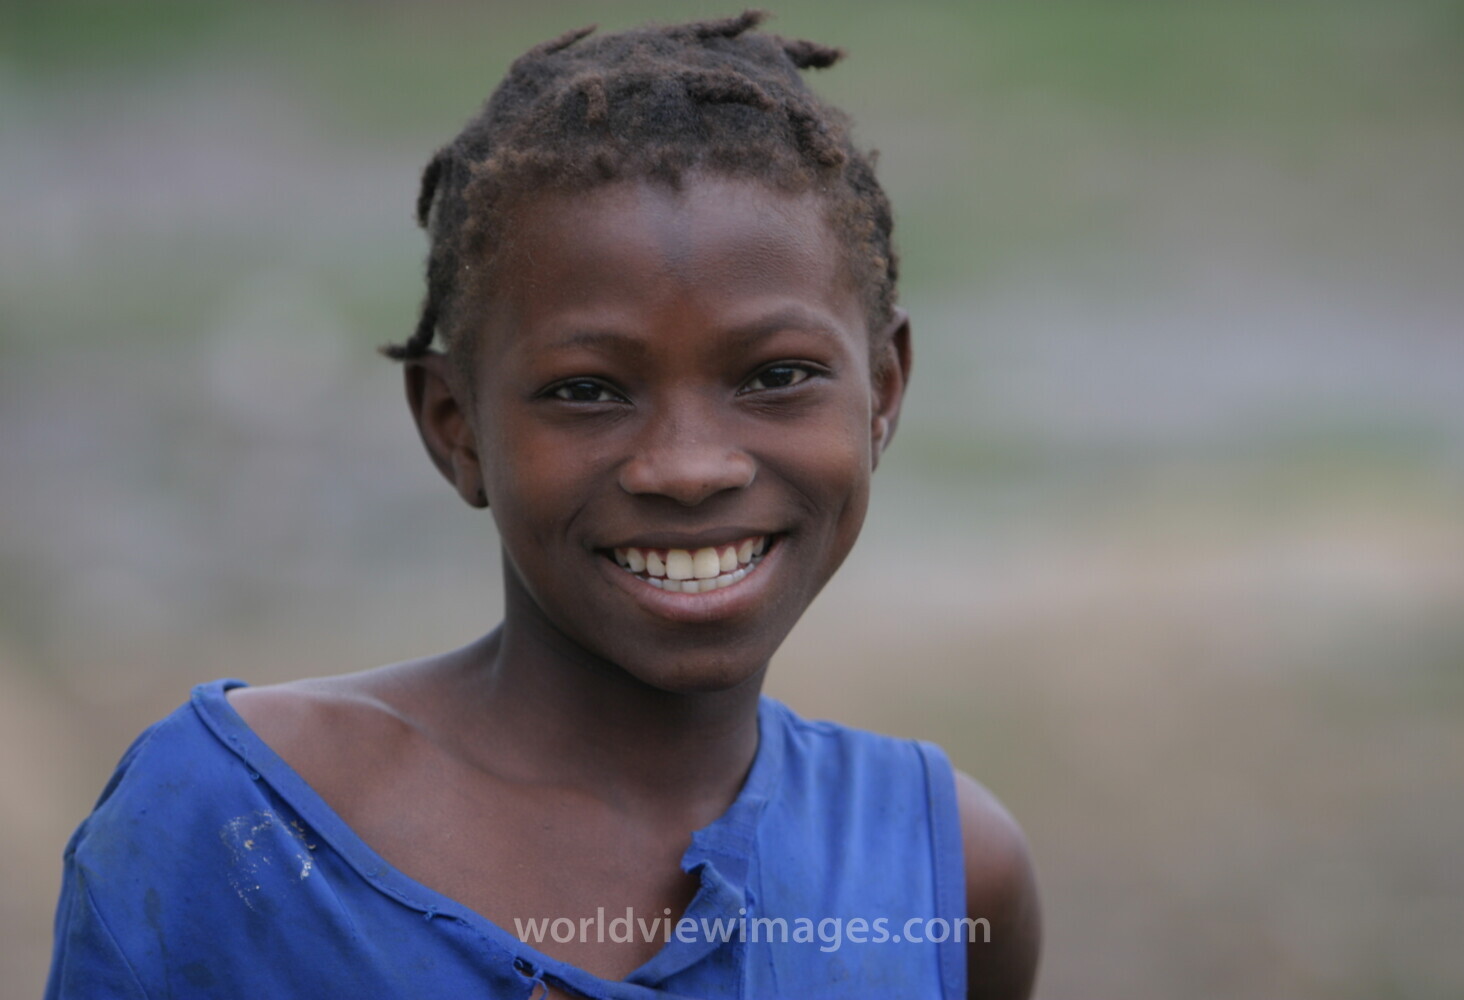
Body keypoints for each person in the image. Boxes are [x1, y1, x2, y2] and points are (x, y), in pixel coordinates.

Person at [45, 12, 1040, 999]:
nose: (688, 468)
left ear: (885, 391)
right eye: (586, 390)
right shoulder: (235, 828)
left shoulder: (943, 874)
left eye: (776, 374)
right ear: (455, 426)